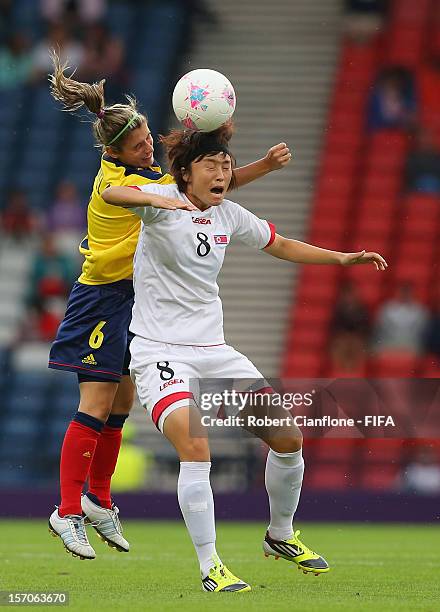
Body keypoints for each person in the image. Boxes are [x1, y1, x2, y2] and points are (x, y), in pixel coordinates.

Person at [102, 123, 387, 592]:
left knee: (288, 436)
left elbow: (282, 245)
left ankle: (279, 534)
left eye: (226, 165)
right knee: (196, 447)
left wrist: (341, 258)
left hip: (215, 350)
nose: (220, 173)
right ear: (185, 173)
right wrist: (153, 199)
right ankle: (210, 566)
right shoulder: (161, 204)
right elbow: (114, 193)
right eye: (210, 165)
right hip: (159, 351)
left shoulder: (228, 215)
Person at [46, 51, 293, 560]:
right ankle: (67, 510)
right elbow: (123, 193)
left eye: (147, 141)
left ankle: (98, 499)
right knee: (93, 405)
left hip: (135, 303)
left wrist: (262, 168)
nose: (148, 149)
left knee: (120, 406)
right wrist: (158, 200)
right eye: (139, 146)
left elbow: (208, 191)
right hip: (100, 299)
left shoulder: (150, 173)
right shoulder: (118, 181)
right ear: (119, 150)